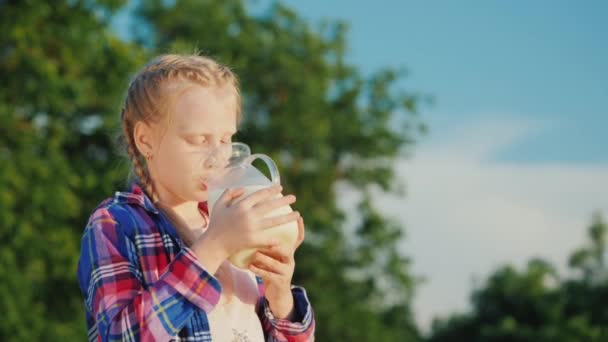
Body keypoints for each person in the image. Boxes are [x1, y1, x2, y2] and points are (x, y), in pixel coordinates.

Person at [76, 53, 315, 341]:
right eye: (199, 140)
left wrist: (281, 296)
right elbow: (122, 336)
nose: (217, 157)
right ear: (145, 140)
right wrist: (215, 244)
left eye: (226, 139)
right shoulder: (116, 223)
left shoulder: (231, 217)